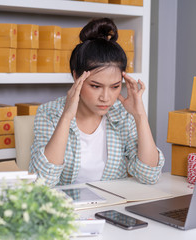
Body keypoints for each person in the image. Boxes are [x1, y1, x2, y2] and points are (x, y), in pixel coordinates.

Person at [29, 18, 164, 187]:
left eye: (115, 87)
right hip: (68, 209)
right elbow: (42, 182)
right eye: (95, 86)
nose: (106, 97)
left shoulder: (122, 114)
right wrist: (66, 117)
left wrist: (140, 116)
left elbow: (149, 175)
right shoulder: (49, 113)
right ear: (77, 77)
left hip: (113, 206)